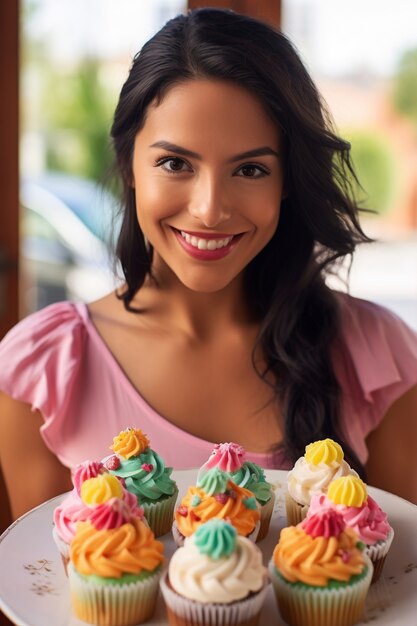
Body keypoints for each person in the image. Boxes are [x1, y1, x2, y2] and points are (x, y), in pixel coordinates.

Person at [1, 8, 416, 520]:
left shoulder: (378, 355)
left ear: (287, 181)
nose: (210, 209)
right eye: (175, 163)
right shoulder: (45, 370)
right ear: (130, 164)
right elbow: (39, 580)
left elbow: (406, 578)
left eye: (250, 169)